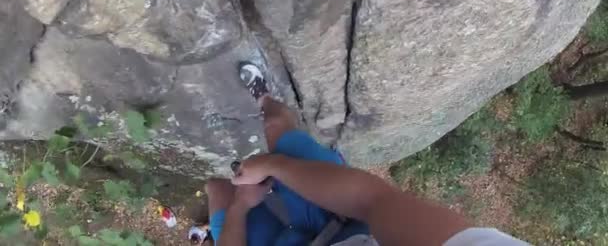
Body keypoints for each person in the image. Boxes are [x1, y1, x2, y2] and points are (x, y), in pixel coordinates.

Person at [204, 61, 529, 246]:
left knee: (217, 189)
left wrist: (240, 208)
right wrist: (273, 164)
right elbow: (372, 200)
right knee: (278, 127)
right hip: (344, 222)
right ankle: (266, 100)